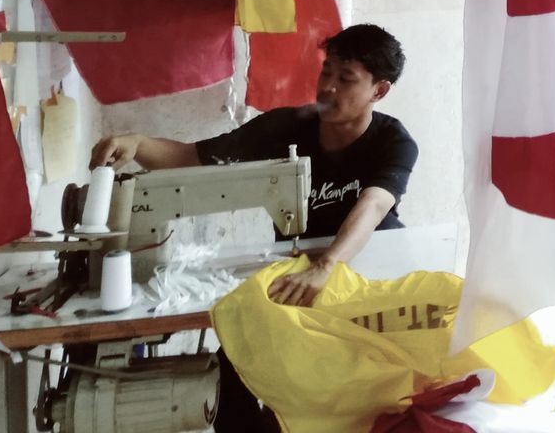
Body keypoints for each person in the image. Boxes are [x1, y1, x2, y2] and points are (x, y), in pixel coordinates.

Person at [90, 24, 418, 432]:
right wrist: (138, 143)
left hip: (372, 270)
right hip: (302, 269)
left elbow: (374, 204)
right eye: (326, 71)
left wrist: (328, 264)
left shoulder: (393, 141)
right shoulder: (287, 127)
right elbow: (195, 158)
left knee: (344, 381)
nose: (328, 87)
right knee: (240, 349)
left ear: (379, 91)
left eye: (346, 79)